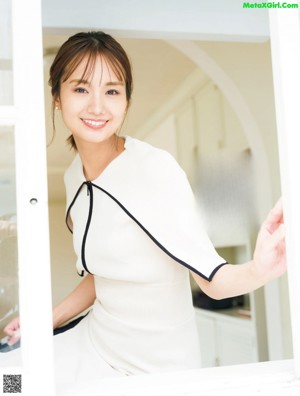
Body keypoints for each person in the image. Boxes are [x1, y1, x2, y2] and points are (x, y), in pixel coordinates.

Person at [0, 31, 286, 387]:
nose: (97, 106)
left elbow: (211, 280)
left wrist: (260, 269)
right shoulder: (74, 178)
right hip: (95, 343)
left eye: (112, 91)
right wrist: (47, 318)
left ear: (126, 102)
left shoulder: (155, 169)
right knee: (10, 381)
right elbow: (102, 276)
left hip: (156, 368)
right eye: (80, 88)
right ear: (57, 97)